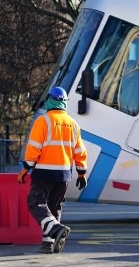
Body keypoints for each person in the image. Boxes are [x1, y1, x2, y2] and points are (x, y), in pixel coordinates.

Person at [17, 87, 88, 254]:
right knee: (53, 206)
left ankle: (56, 229)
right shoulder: (73, 124)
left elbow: (34, 148)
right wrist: (82, 173)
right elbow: (80, 151)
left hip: (44, 172)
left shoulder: (44, 121)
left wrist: (25, 168)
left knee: (36, 203)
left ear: (50, 101)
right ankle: (49, 244)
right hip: (64, 174)